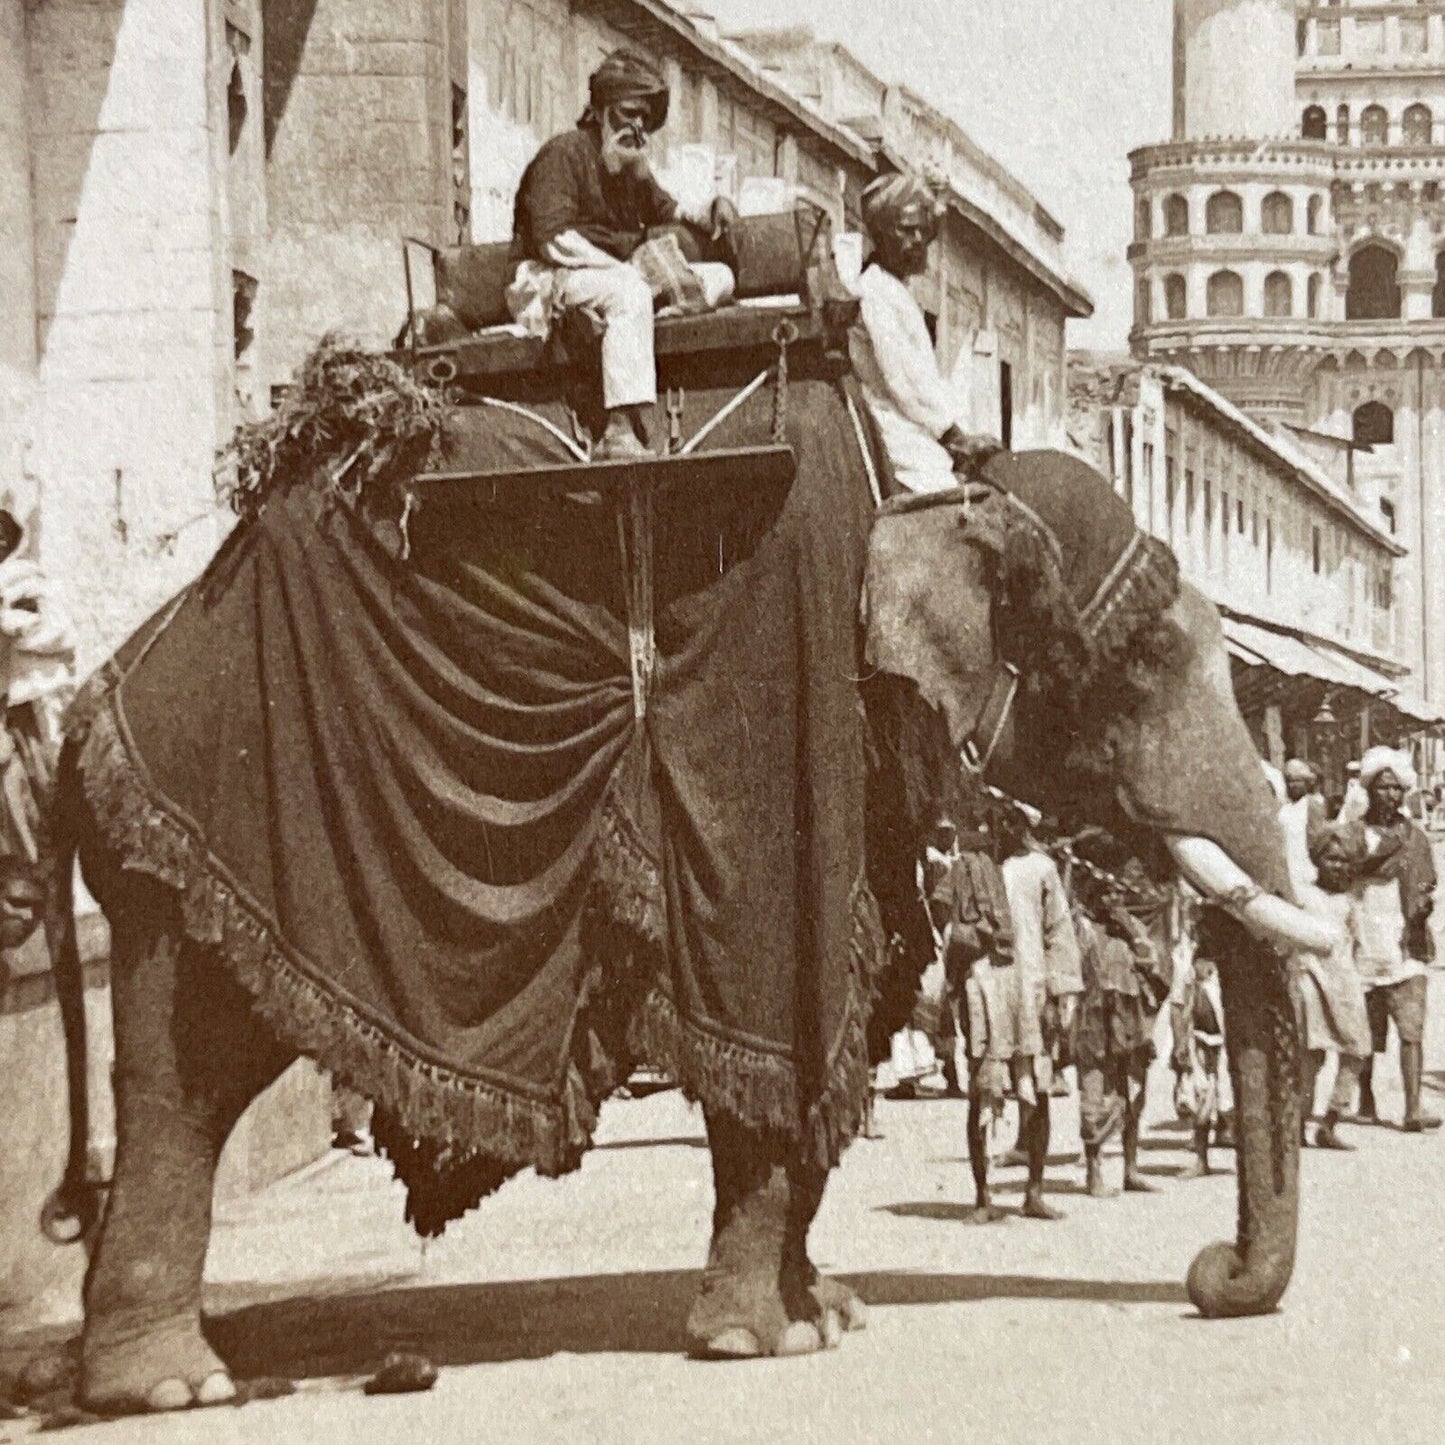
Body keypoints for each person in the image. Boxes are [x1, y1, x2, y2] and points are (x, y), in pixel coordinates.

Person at [507, 49, 738, 460]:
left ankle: (640, 315)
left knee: (720, 275)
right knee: (630, 293)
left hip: (609, 278)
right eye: (628, 113)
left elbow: (670, 209)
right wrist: (626, 271)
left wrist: (714, 207)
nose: (636, 126)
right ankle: (618, 430)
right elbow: (552, 238)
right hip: (548, 278)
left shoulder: (632, 169)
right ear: (599, 110)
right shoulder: (564, 153)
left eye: (645, 119)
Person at [943, 804, 1081, 1223]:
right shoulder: (971, 868)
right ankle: (983, 1197)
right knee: (982, 1090)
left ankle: (1034, 1192)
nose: (1004, 828)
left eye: (1011, 822)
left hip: (1031, 991)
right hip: (983, 989)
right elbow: (952, 931)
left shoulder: (1041, 868)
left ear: (1023, 827)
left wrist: (1062, 992)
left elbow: (1058, 930)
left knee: (1037, 1093)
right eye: (996, 821)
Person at [849, 171, 1002, 493]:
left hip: (918, 427)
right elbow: (904, 381)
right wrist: (953, 436)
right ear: (881, 233)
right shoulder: (875, 291)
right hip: (895, 431)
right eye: (906, 230)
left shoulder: (896, 290)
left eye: (923, 231)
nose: (917, 240)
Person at [1069, 855, 1173, 1198]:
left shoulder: (1143, 928)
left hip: (1132, 1022)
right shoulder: (1085, 930)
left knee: (1135, 1093)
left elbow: (1158, 971)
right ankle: (1095, 1171)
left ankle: (1130, 1168)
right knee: (1095, 1091)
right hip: (1094, 1022)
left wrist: (1128, 925)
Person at [1352, 747, 1440, 1132]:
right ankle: (1365, 1099)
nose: (1389, 795)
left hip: (1406, 939)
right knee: (1365, 1029)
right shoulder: (1355, 835)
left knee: (1411, 1026)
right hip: (1365, 934)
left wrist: (1420, 907)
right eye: (1382, 787)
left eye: (1395, 788)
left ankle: (1412, 1107)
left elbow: (1427, 881)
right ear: (1370, 790)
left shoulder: (1414, 837)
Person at [0, 509, 76, 948]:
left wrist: (12, 623)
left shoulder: (25, 585)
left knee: (19, 783)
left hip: (21, 715)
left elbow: (59, 633)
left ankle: (21, 884)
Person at [1295, 824, 1373, 1150]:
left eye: (1343, 860)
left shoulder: (1351, 902)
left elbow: (1360, 945)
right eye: (1330, 859)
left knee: (1357, 1049)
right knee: (1311, 1056)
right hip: (1311, 977)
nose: (1337, 866)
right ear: (1318, 860)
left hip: (1344, 980)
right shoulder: (1303, 895)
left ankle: (1329, 1121)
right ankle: (1297, 1124)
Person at [1280, 758, 1327, 895]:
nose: (1292, 785)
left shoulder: (1312, 805)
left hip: (1305, 867)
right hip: (1288, 862)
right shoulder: (1285, 808)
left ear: (1307, 783)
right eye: (1289, 781)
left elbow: (1318, 840)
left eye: (1297, 781)